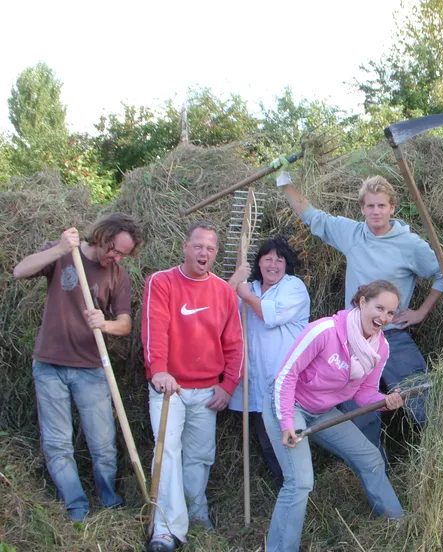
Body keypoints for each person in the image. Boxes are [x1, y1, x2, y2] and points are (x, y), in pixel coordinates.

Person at [277, 166, 443, 444]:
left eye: (381, 205)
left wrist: (421, 311)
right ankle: (374, 470)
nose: (375, 211)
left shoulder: (410, 245)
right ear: (362, 208)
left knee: (421, 404)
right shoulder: (352, 233)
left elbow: (442, 274)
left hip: (394, 337)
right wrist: (285, 183)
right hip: (352, 344)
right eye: (370, 206)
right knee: (362, 417)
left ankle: (438, 462)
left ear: (392, 208)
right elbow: (311, 215)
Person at [12, 213, 143, 522]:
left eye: (123, 254)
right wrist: (59, 248)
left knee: (103, 446)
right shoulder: (63, 255)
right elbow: (19, 271)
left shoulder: (118, 276)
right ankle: (76, 507)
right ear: (103, 235)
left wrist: (106, 323)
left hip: (91, 368)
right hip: (49, 365)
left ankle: (109, 500)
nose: (116, 257)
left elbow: (125, 323)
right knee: (58, 444)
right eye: (114, 249)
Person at [262, 280, 406, 552]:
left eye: (390, 313)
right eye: (379, 308)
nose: (384, 318)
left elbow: (365, 395)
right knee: (300, 482)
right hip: (287, 404)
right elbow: (286, 376)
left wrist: (386, 402)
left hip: (321, 411)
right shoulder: (325, 331)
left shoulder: (380, 348)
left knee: (370, 457)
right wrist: (287, 424)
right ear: (362, 302)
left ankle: (399, 525)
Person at [142, 221, 244, 552]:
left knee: (200, 457)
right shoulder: (162, 282)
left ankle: (195, 515)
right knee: (167, 454)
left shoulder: (224, 292)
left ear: (216, 254)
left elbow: (235, 344)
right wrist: (158, 370)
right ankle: (166, 530)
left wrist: (228, 385)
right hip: (170, 389)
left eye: (210, 249)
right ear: (185, 246)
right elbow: (153, 329)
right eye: (198, 246)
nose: (204, 253)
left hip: (207, 392)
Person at [226, 236, 311, 489]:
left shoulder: (293, 287)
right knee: (265, 440)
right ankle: (282, 490)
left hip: (283, 381)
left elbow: (269, 315)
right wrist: (235, 283)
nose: (273, 264)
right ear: (258, 263)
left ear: (286, 265)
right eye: (267, 258)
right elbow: (218, 306)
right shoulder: (247, 287)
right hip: (253, 378)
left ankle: (296, 489)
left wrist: (243, 293)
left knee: (285, 439)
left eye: (279, 259)